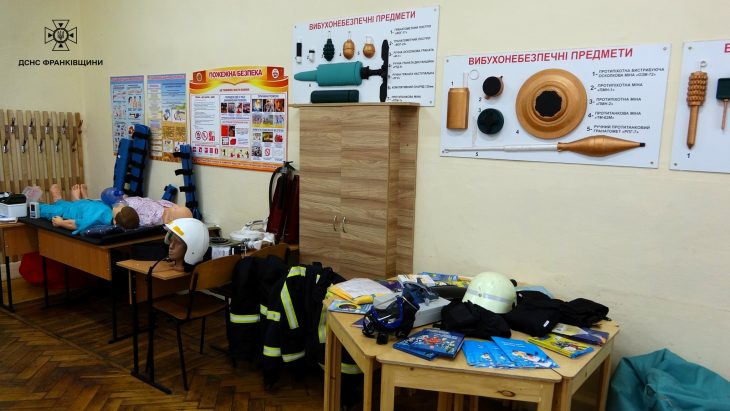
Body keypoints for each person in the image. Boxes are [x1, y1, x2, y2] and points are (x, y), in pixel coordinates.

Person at [39, 184, 139, 235]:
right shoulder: (112, 211)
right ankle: (59, 200)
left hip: (70, 212)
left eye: (119, 208)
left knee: (49, 210)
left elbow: (75, 224)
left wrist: (61, 223)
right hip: (83, 205)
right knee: (67, 204)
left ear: (115, 221)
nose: (118, 206)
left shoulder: (97, 221)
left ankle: (40, 202)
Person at [123, 196, 192, 226]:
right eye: (179, 206)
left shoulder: (153, 219)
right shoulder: (170, 206)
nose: (176, 206)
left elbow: (135, 219)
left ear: (169, 219)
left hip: (127, 208)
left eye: (176, 209)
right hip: (139, 200)